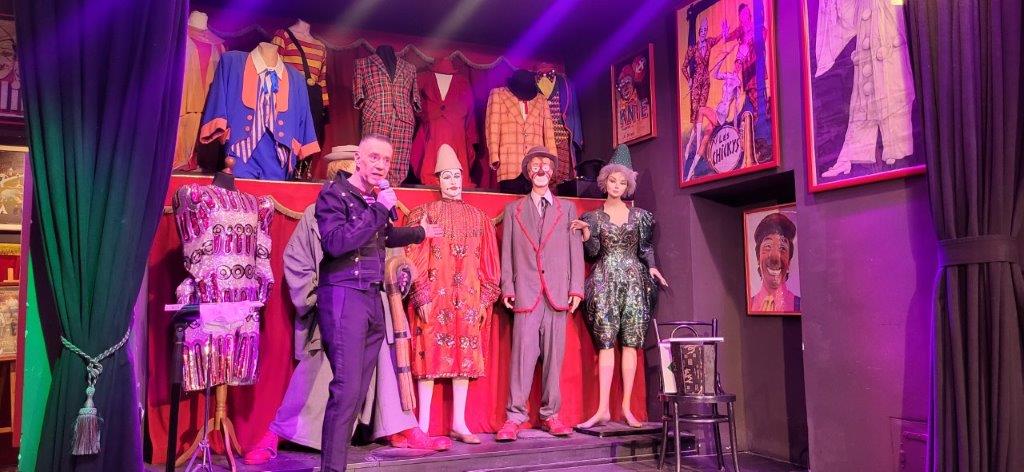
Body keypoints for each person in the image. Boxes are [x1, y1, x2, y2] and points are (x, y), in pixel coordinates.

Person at [244, 158, 450, 465]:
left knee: (384, 354)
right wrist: (318, 299)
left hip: (370, 303)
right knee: (320, 367)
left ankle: (401, 426)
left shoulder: (377, 209)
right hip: (334, 304)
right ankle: (281, 430)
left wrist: (401, 270)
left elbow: (392, 253)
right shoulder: (318, 212)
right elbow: (298, 262)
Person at [314, 133, 444, 471]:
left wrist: (420, 233)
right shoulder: (334, 194)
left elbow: (383, 235)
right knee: (345, 389)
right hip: (344, 295)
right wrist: (381, 208)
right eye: (374, 157)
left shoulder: (373, 200)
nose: (381, 165)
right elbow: (336, 243)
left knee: (357, 392)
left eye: (386, 160)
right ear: (358, 159)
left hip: (371, 298)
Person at [405, 144, 501, 445]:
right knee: (429, 356)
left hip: (468, 296)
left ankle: (459, 422)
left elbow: (489, 260)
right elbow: (414, 254)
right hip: (435, 295)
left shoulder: (479, 217)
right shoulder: (425, 214)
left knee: (465, 356)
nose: (453, 182)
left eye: (456, 176)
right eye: (446, 176)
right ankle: (422, 424)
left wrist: (485, 298)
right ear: (437, 180)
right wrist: (421, 293)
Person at [572, 146, 667, 429]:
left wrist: (652, 267)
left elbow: (645, 248)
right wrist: (587, 235)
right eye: (613, 180)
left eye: (622, 182)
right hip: (604, 281)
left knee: (630, 343)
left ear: (628, 186)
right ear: (605, 181)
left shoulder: (640, 216)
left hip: (634, 282)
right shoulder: (593, 217)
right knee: (605, 342)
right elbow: (592, 253)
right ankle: (602, 408)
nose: (617, 186)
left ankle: (626, 407)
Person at [496, 146, 585, 442]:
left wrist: (576, 288)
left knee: (554, 359)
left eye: (546, 164)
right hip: (526, 292)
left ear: (553, 171)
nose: (541, 169)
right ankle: (514, 417)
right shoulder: (513, 210)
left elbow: (575, 249)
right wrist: (508, 286)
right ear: (528, 171)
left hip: (557, 292)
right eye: (535, 164)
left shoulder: (567, 209)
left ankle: (550, 415)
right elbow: (507, 252)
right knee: (522, 357)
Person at [749, 212, 800, 312]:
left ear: (789, 262)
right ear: (758, 258)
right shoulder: (748, 304)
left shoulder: (801, 306)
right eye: (768, 246)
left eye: (782, 248)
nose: (775, 257)